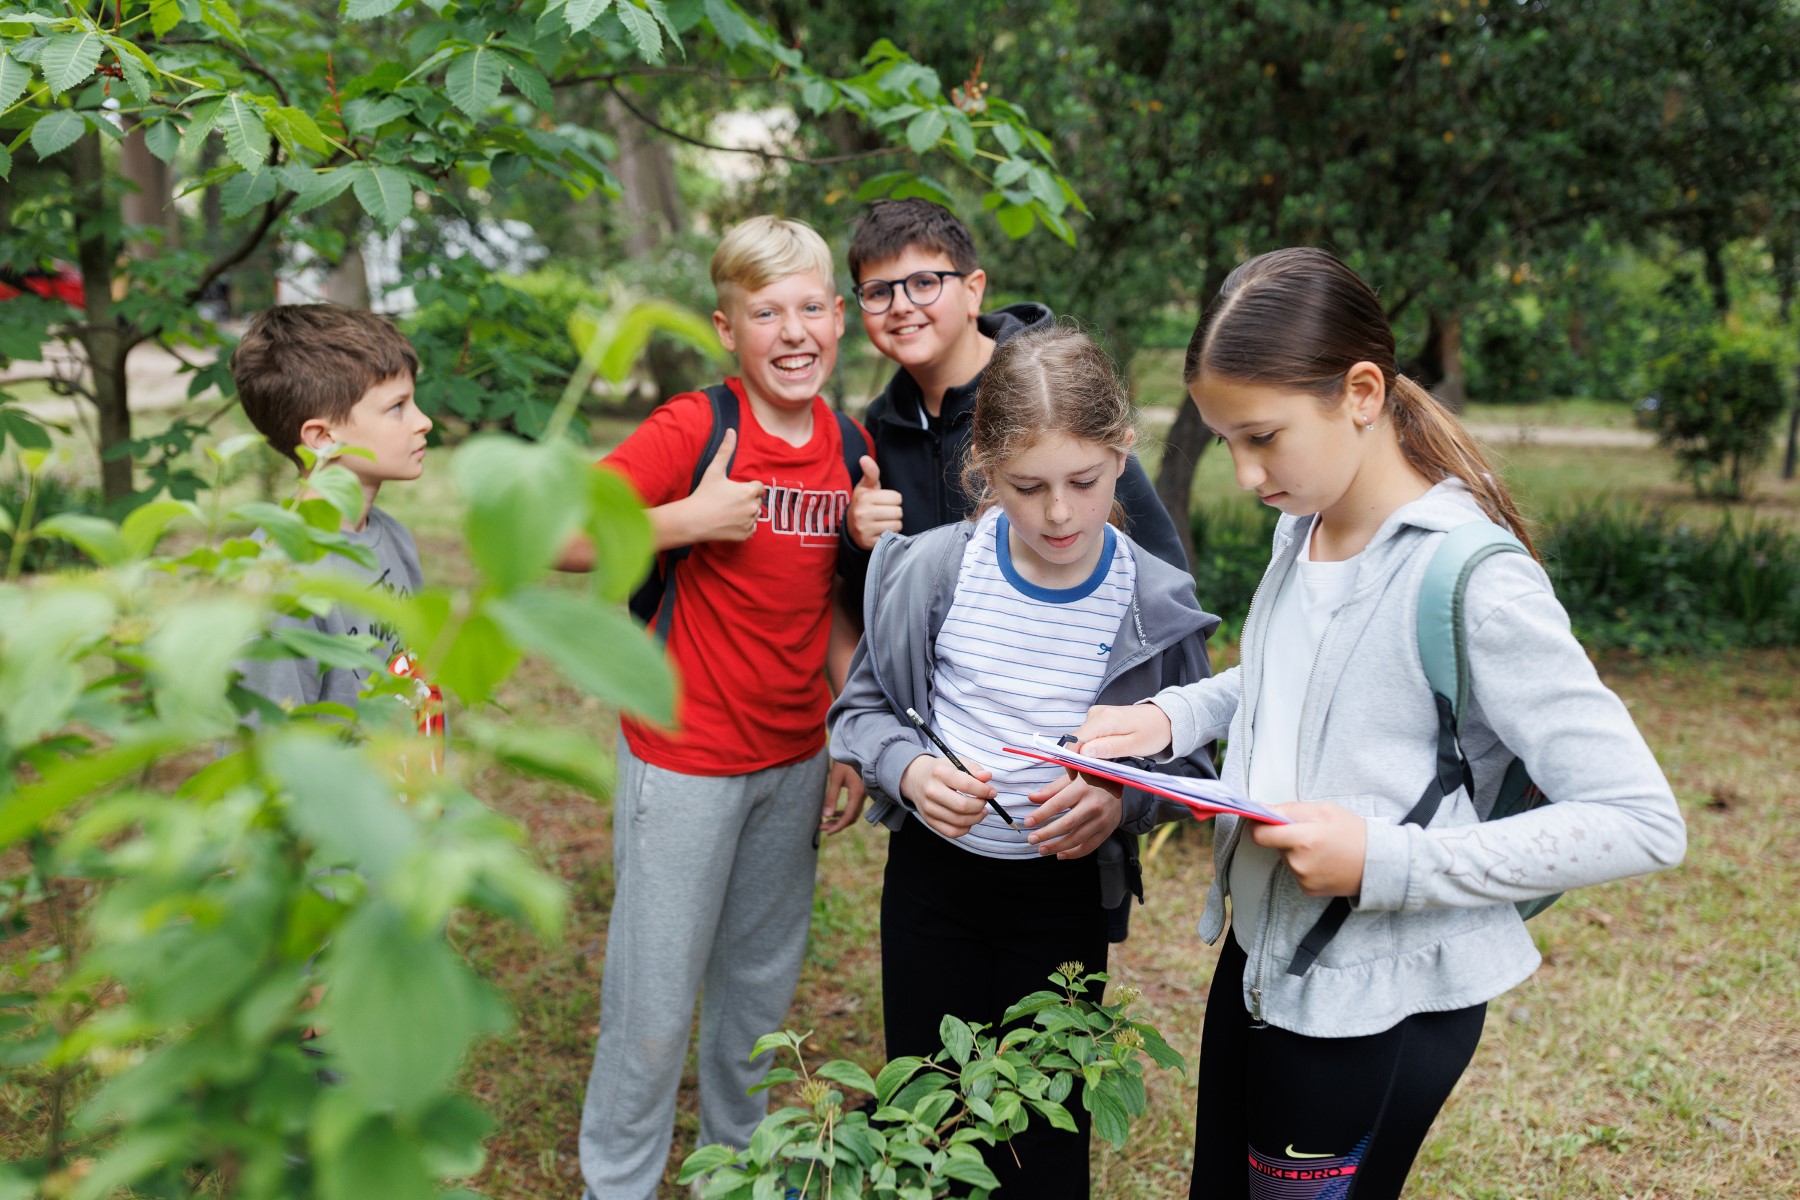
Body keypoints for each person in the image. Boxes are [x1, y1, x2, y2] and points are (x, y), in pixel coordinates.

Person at [1073, 247, 1688, 1200]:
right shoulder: (1305, 522)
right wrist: (1166, 716)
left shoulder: (1474, 583)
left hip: (1377, 999)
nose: (1243, 473)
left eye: (1263, 437)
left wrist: (1382, 861)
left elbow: (1641, 818)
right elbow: (1296, 679)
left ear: (1362, 391)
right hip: (1263, 960)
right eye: (1225, 440)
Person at [828, 325, 1219, 1199]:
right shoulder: (932, 573)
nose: (1057, 514)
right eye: (1026, 486)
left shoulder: (1155, 601)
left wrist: (1120, 805)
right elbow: (860, 710)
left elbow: (1192, 758)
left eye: (1083, 482)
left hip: (1062, 897)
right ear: (983, 470)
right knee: (928, 1116)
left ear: (1122, 457)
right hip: (933, 885)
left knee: (1044, 1130)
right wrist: (907, 772)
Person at [568, 216, 870, 1200]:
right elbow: (560, 538)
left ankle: (735, 1175)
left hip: (792, 761)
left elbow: (829, 606)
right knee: (651, 1002)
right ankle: (617, 1180)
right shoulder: (697, 428)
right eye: (766, 311)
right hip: (684, 757)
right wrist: (685, 520)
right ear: (726, 328)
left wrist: (850, 737)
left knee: (757, 996)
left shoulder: (846, 443)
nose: (793, 330)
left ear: (840, 319)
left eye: (811, 308)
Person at [838, 198, 1186, 610]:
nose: (900, 305)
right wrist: (857, 542)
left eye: (924, 283)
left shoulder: (1052, 395)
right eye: (878, 291)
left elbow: (1162, 567)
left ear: (973, 290)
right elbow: (881, 599)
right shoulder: (882, 425)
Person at [230, 304, 432, 715]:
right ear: (323, 437)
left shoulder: (393, 537)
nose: (423, 421)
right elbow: (263, 752)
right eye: (397, 407)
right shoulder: (280, 581)